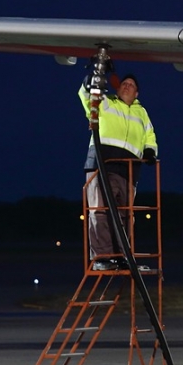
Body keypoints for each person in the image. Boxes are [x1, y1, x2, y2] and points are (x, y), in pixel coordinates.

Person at [79, 72, 157, 271]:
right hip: (103, 165)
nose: (127, 86)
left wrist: (150, 150)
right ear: (117, 88)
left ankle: (122, 256)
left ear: (137, 93)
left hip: (129, 171)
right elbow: (87, 96)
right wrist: (92, 79)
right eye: (124, 83)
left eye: (131, 84)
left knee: (125, 215)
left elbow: (150, 134)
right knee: (101, 212)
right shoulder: (106, 103)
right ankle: (102, 258)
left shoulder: (142, 113)